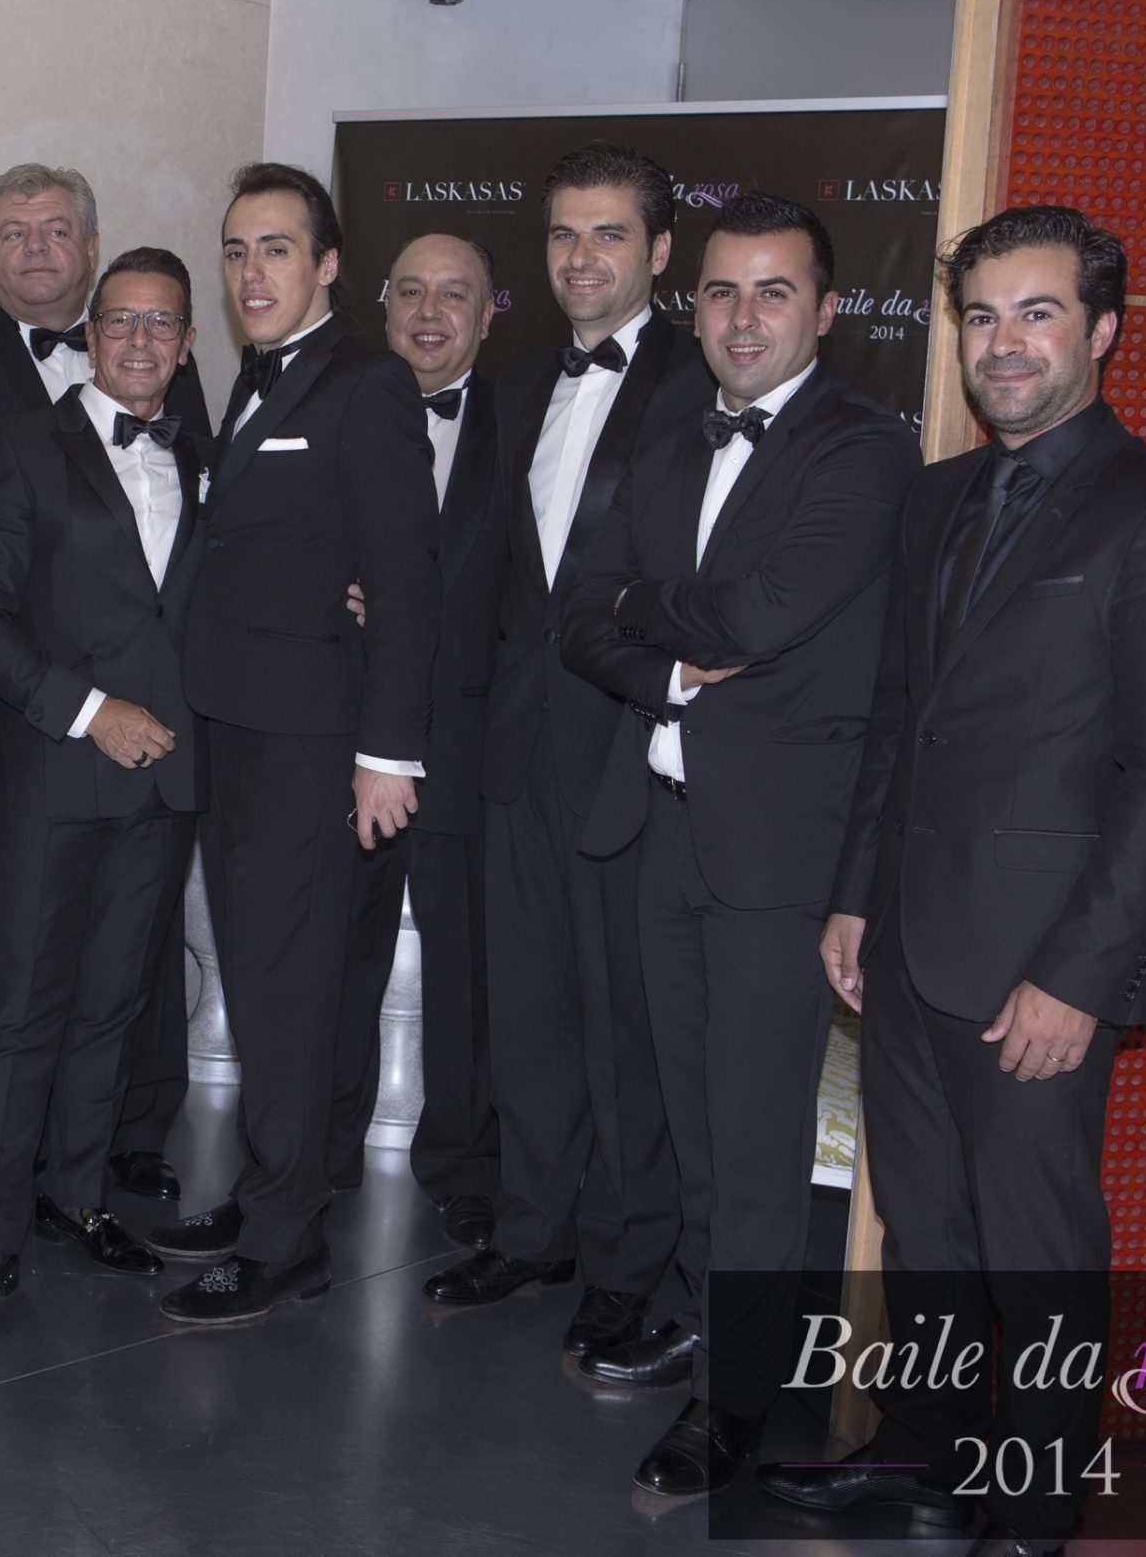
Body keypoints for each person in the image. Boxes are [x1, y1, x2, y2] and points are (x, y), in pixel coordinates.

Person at [758, 207, 1146, 1557]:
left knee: (1036, 1250)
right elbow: (899, 720)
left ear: (1103, 331)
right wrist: (856, 895)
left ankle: (1034, 1507)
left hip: (1041, 964)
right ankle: (923, 1452)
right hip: (909, 948)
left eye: (1038, 313)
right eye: (981, 316)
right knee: (924, 1227)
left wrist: (1077, 976)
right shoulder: (937, 498)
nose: (1005, 344)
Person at [560, 191, 917, 1496]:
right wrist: (664, 659)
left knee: (757, 1144)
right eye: (721, 291)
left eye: (774, 291)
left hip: (776, 856)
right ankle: (723, 1325)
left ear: (827, 309)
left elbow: (763, 612)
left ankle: (741, 1402)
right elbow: (577, 616)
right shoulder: (669, 434)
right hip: (664, 826)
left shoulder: (863, 449)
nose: (743, 316)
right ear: (693, 304)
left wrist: (640, 604)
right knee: (695, 1126)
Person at [426, 145, 708, 1367]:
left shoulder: (703, 381)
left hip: (632, 752)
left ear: (659, 251)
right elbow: (486, 570)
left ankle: (625, 1260)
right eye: (561, 236)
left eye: (607, 235)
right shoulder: (516, 383)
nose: (580, 257)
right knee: (527, 1011)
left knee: (624, 1027)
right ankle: (532, 1228)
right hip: (514, 749)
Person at [148, 163, 439, 1323]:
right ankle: (282, 1188)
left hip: (312, 749)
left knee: (287, 990)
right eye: (235, 250)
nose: (250, 272)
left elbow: (403, 581)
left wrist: (386, 756)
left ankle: (281, 1243)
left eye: (275, 248)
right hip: (240, 735)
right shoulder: (258, 382)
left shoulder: (366, 385)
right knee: (279, 984)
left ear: (327, 266)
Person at [0, 247, 209, 1340]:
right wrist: (91, 710)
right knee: (19, 1015)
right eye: (120, 321)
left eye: (161, 323)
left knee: (110, 1006)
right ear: (90, 336)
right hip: (51, 775)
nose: (140, 340)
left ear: (187, 344)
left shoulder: (205, 454)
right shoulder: (20, 444)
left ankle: (77, 1194)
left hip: (164, 784)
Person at [334, 232, 508, 1232]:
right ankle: (318, 1157)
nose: (429, 314)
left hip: (469, 741)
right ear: (383, 305)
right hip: (344, 736)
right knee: (334, 964)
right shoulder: (336, 404)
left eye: (454, 295)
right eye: (409, 292)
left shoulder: (523, 421)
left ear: (487, 314)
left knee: (469, 976)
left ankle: (466, 1171)